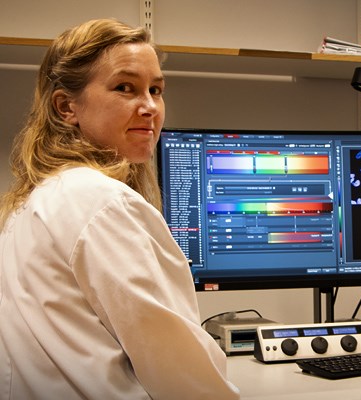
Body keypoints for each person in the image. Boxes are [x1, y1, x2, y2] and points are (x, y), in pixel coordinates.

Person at [0, 19, 240, 399]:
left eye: (156, 90)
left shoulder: (36, 198)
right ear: (66, 107)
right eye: (125, 88)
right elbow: (187, 381)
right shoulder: (103, 203)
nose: (149, 107)